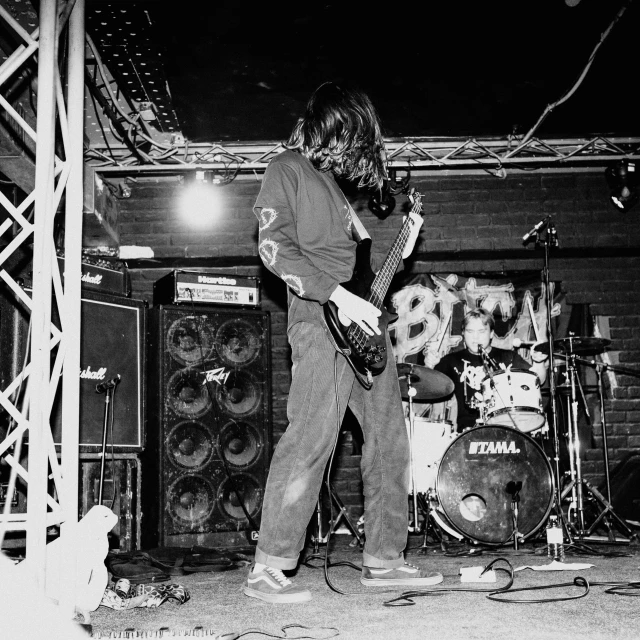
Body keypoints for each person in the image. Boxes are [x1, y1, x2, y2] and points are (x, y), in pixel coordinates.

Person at [246, 82, 442, 604]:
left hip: (363, 330)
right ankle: (269, 564)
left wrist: (405, 242)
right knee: (310, 437)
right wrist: (336, 296)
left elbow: (364, 277)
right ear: (329, 126)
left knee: (389, 442)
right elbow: (272, 246)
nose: (353, 150)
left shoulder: (336, 191)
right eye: (349, 136)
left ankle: (384, 559)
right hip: (319, 320)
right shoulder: (285, 169)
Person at [426, 307, 549, 432]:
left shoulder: (508, 356)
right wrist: (430, 367)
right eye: (470, 331)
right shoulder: (452, 360)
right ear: (463, 333)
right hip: (466, 432)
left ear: (491, 334)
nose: (475, 337)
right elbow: (429, 388)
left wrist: (539, 362)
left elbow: (537, 380)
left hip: (506, 427)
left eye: (481, 331)